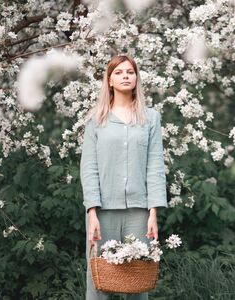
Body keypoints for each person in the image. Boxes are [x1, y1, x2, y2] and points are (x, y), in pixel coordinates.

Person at [80, 54, 168, 300]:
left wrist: (153, 212)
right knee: (99, 283)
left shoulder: (150, 118)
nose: (125, 76)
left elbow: (154, 164)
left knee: (137, 283)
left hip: (139, 213)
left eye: (130, 72)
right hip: (103, 212)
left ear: (137, 78)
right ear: (109, 80)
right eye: (118, 72)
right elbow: (89, 167)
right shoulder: (96, 120)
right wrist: (92, 212)